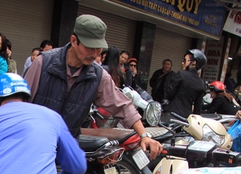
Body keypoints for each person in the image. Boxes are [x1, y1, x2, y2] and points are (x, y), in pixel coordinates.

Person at [24, 14, 162, 155]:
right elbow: (20, 104)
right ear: (73, 40)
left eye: (99, 49)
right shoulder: (44, 63)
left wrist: (144, 135)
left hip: (66, 147)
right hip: (33, 144)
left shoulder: (98, 76)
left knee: (77, 169)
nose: (95, 53)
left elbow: (122, 105)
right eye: (90, 47)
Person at [162, 49, 207, 119]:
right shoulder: (201, 83)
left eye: (185, 60)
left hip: (171, 114)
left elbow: (169, 94)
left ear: (194, 62)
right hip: (186, 118)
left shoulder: (181, 74)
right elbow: (197, 108)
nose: (183, 63)